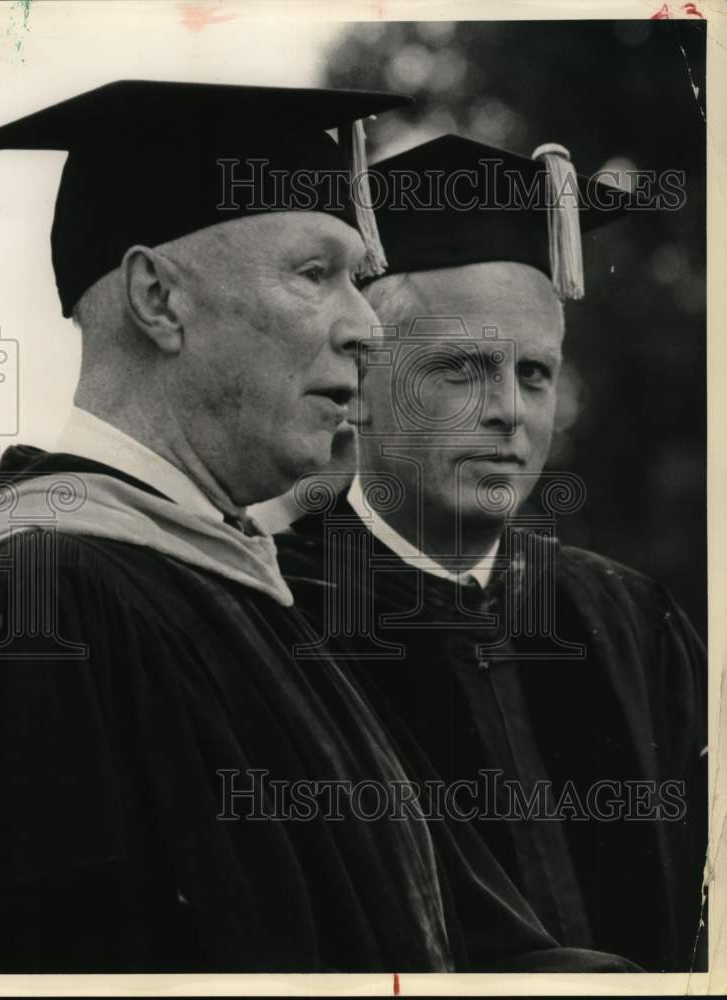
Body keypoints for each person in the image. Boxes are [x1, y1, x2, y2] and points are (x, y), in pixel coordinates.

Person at [0, 84, 641, 975]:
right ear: (158, 298)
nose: (364, 328)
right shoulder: (47, 604)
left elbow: (459, 946)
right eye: (315, 274)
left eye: (357, 281)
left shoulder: (233, 585)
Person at [277, 134, 708, 972]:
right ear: (358, 389)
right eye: (462, 371)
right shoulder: (276, 616)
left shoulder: (630, 621)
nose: (509, 411)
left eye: (535, 374)